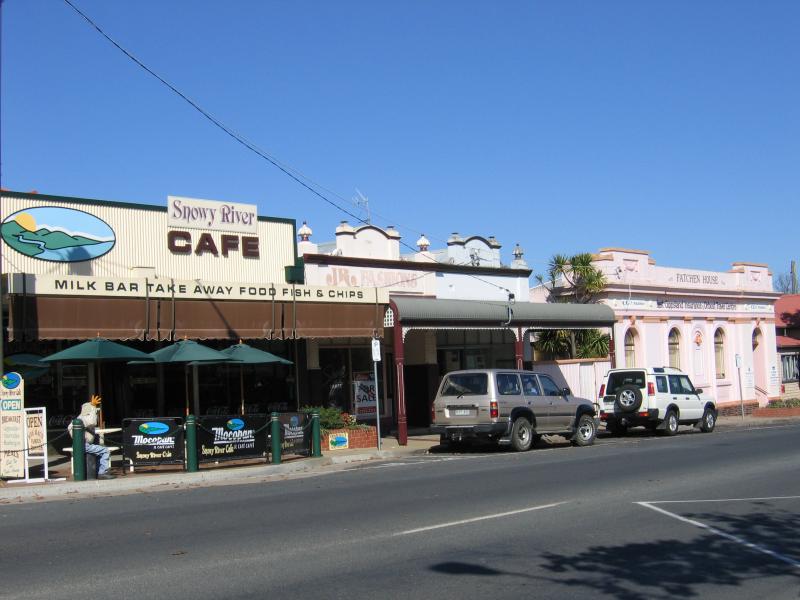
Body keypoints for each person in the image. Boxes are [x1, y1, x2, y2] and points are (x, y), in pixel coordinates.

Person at [68, 394, 115, 480]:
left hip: (80, 445)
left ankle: (98, 471)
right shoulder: (83, 419)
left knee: (98, 452)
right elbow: (92, 421)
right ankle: (102, 472)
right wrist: (93, 407)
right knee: (105, 451)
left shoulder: (79, 418)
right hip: (84, 445)